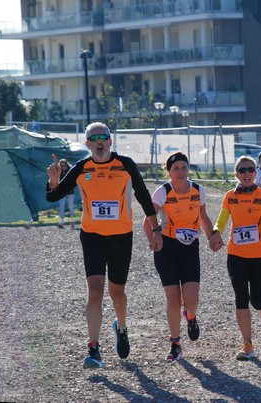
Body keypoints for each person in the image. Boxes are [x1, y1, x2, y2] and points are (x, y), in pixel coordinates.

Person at [46, 122, 160, 369]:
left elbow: (143, 196)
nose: (99, 142)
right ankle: (93, 349)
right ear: (87, 144)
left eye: (103, 137)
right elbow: (54, 195)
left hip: (121, 237)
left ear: (110, 141)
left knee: (117, 293)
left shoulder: (125, 165)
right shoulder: (81, 168)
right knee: (95, 291)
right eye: (94, 138)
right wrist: (54, 180)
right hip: (92, 236)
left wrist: (156, 229)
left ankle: (121, 327)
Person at [142, 152, 216, 362]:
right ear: (169, 171)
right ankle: (175, 344)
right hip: (167, 249)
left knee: (191, 300)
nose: (181, 172)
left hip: (190, 248)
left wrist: (212, 237)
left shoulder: (198, 190)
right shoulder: (162, 192)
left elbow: (203, 217)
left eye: (184, 167)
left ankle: (190, 316)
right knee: (173, 300)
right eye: (176, 168)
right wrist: (154, 242)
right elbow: (147, 222)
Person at [208, 156, 261, 360]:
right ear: (236, 174)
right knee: (241, 298)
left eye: (250, 170)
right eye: (242, 170)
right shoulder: (230, 196)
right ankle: (248, 345)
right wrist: (216, 232)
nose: (247, 174)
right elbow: (222, 219)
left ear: (255, 173)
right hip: (236, 255)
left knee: (256, 299)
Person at [56, 158, 75, 229]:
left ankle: (72, 221)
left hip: (70, 192)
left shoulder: (70, 171)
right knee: (61, 207)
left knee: (71, 207)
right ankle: (62, 222)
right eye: (61, 166)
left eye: (64, 166)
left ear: (67, 165)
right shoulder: (58, 172)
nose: (63, 167)